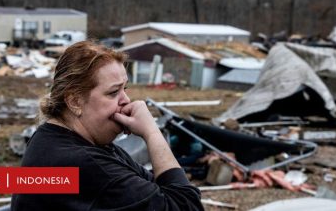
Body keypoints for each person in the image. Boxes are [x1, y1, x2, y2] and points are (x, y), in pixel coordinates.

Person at [11, 41, 203, 211]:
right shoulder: (85, 163)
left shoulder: (53, 139)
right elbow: (187, 206)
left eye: (124, 89)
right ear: (75, 101)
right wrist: (152, 133)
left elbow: (158, 190)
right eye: (113, 92)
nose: (126, 100)